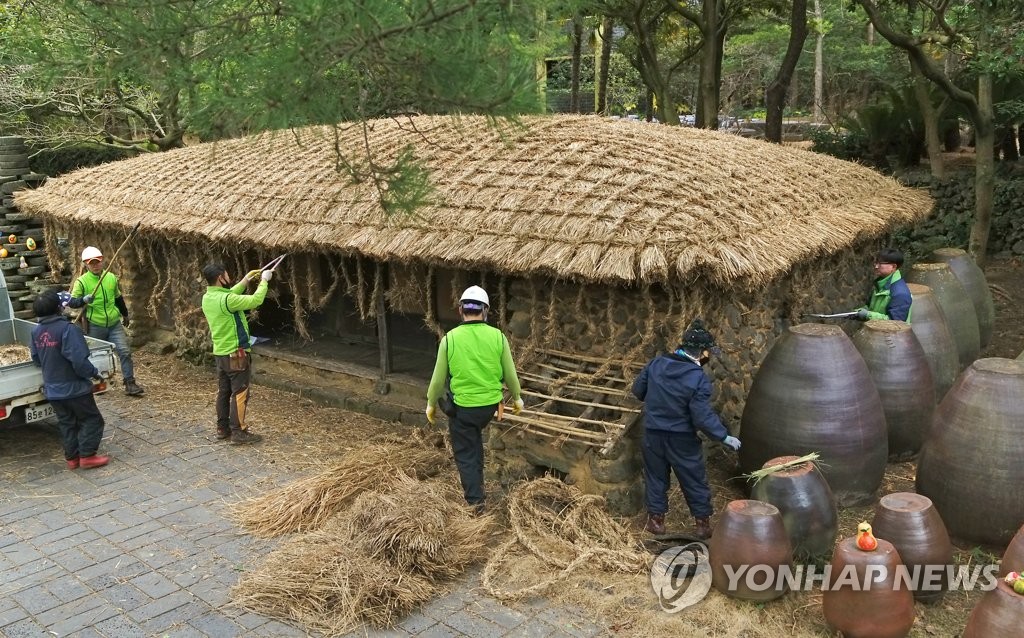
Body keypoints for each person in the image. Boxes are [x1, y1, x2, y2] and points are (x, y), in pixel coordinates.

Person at [632, 318, 741, 539]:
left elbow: (637, 390)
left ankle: (656, 521)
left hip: (653, 433)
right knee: (693, 478)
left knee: (655, 476)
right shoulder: (697, 377)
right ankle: (702, 525)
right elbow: (701, 415)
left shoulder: (656, 364)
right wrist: (723, 436)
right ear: (701, 352)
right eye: (707, 352)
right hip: (681, 438)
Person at [425, 285, 524, 511]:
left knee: (466, 454)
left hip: (463, 409)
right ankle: (479, 483)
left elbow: (438, 380)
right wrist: (517, 398)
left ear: (461, 310)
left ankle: (475, 504)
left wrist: (431, 403)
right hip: (488, 407)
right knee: (475, 444)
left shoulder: (449, 340)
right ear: (485, 311)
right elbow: (510, 374)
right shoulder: (498, 337)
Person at [30, 291, 110, 470]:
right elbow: (79, 361)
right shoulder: (68, 329)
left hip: (53, 390)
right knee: (91, 420)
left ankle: (72, 459)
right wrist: (94, 373)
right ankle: (88, 456)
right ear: (59, 308)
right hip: (74, 388)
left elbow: (36, 359)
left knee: (67, 423)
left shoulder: (36, 332)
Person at [200, 263, 273, 445]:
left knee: (224, 391)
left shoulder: (208, 297)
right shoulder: (228, 301)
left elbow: (229, 294)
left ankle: (222, 428)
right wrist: (264, 281)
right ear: (220, 278)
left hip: (221, 353)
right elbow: (255, 300)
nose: (229, 276)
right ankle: (238, 432)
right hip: (237, 352)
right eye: (226, 274)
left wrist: (246, 280)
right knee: (240, 392)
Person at [71, 246, 144, 396]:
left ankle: (130, 383)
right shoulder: (82, 282)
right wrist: (83, 300)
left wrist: (125, 314)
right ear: (86, 264)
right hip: (95, 324)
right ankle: (98, 382)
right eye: (91, 263)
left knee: (124, 351)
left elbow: (118, 298)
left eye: (97, 262)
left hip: (113, 323)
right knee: (95, 355)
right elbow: (72, 302)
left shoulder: (110, 277)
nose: (95, 265)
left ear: (102, 261)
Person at [854, 247, 912, 322]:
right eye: (876, 262)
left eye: (880, 264)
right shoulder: (880, 284)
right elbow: (872, 307)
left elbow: (896, 323)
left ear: (893, 267)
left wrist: (868, 315)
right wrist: (862, 311)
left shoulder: (900, 293)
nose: (876, 266)